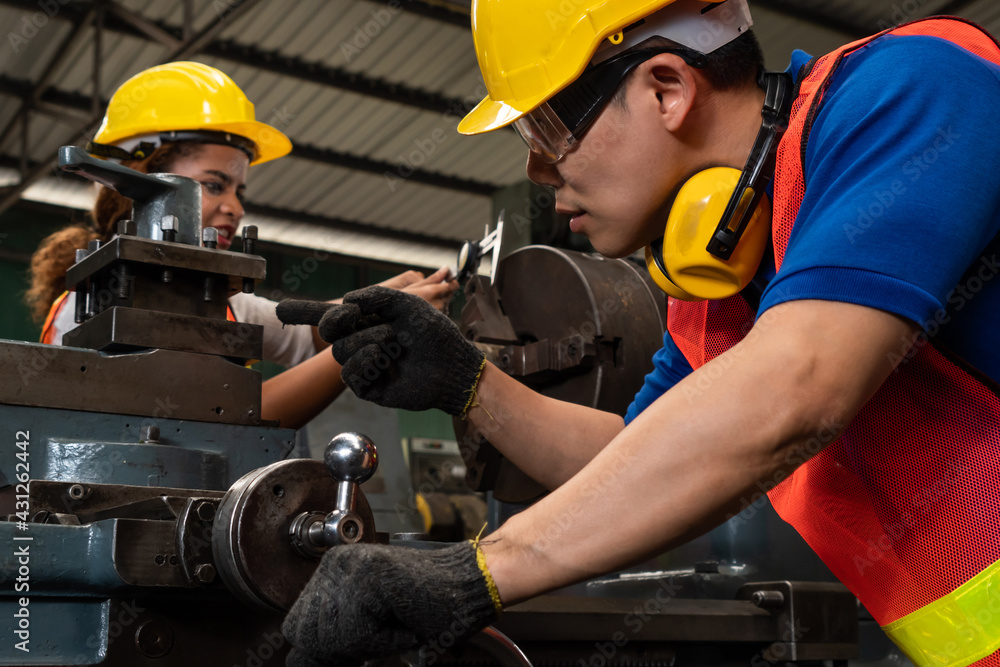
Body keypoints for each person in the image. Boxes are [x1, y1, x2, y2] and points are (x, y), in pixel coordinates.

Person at [277, 1, 1000, 666]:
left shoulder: (917, 86)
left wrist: (480, 568)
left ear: (665, 88)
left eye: (547, 129)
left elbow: (799, 385)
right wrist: (469, 382)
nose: (536, 170)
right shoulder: (713, 296)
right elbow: (627, 465)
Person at [26, 61, 456, 430]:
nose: (234, 207)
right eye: (214, 185)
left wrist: (381, 301)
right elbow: (213, 425)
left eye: (239, 191)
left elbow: (308, 334)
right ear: (136, 182)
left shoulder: (223, 304)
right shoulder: (93, 306)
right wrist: (372, 338)